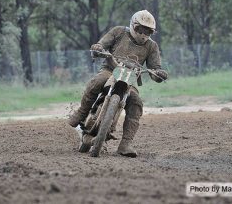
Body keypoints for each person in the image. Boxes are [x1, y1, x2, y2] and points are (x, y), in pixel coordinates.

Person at [68, 10, 168, 157]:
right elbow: (101, 45)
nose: (143, 35)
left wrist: (159, 74)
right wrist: (98, 48)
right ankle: (81, 114)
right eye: (140, 29)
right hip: (110, 69)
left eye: (147, 32)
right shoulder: (119, 32)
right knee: (97, 81)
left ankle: (126, 143)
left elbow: (155, 69)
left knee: (136, 102)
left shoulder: (152, 46)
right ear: (133, 25)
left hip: (131, 78)